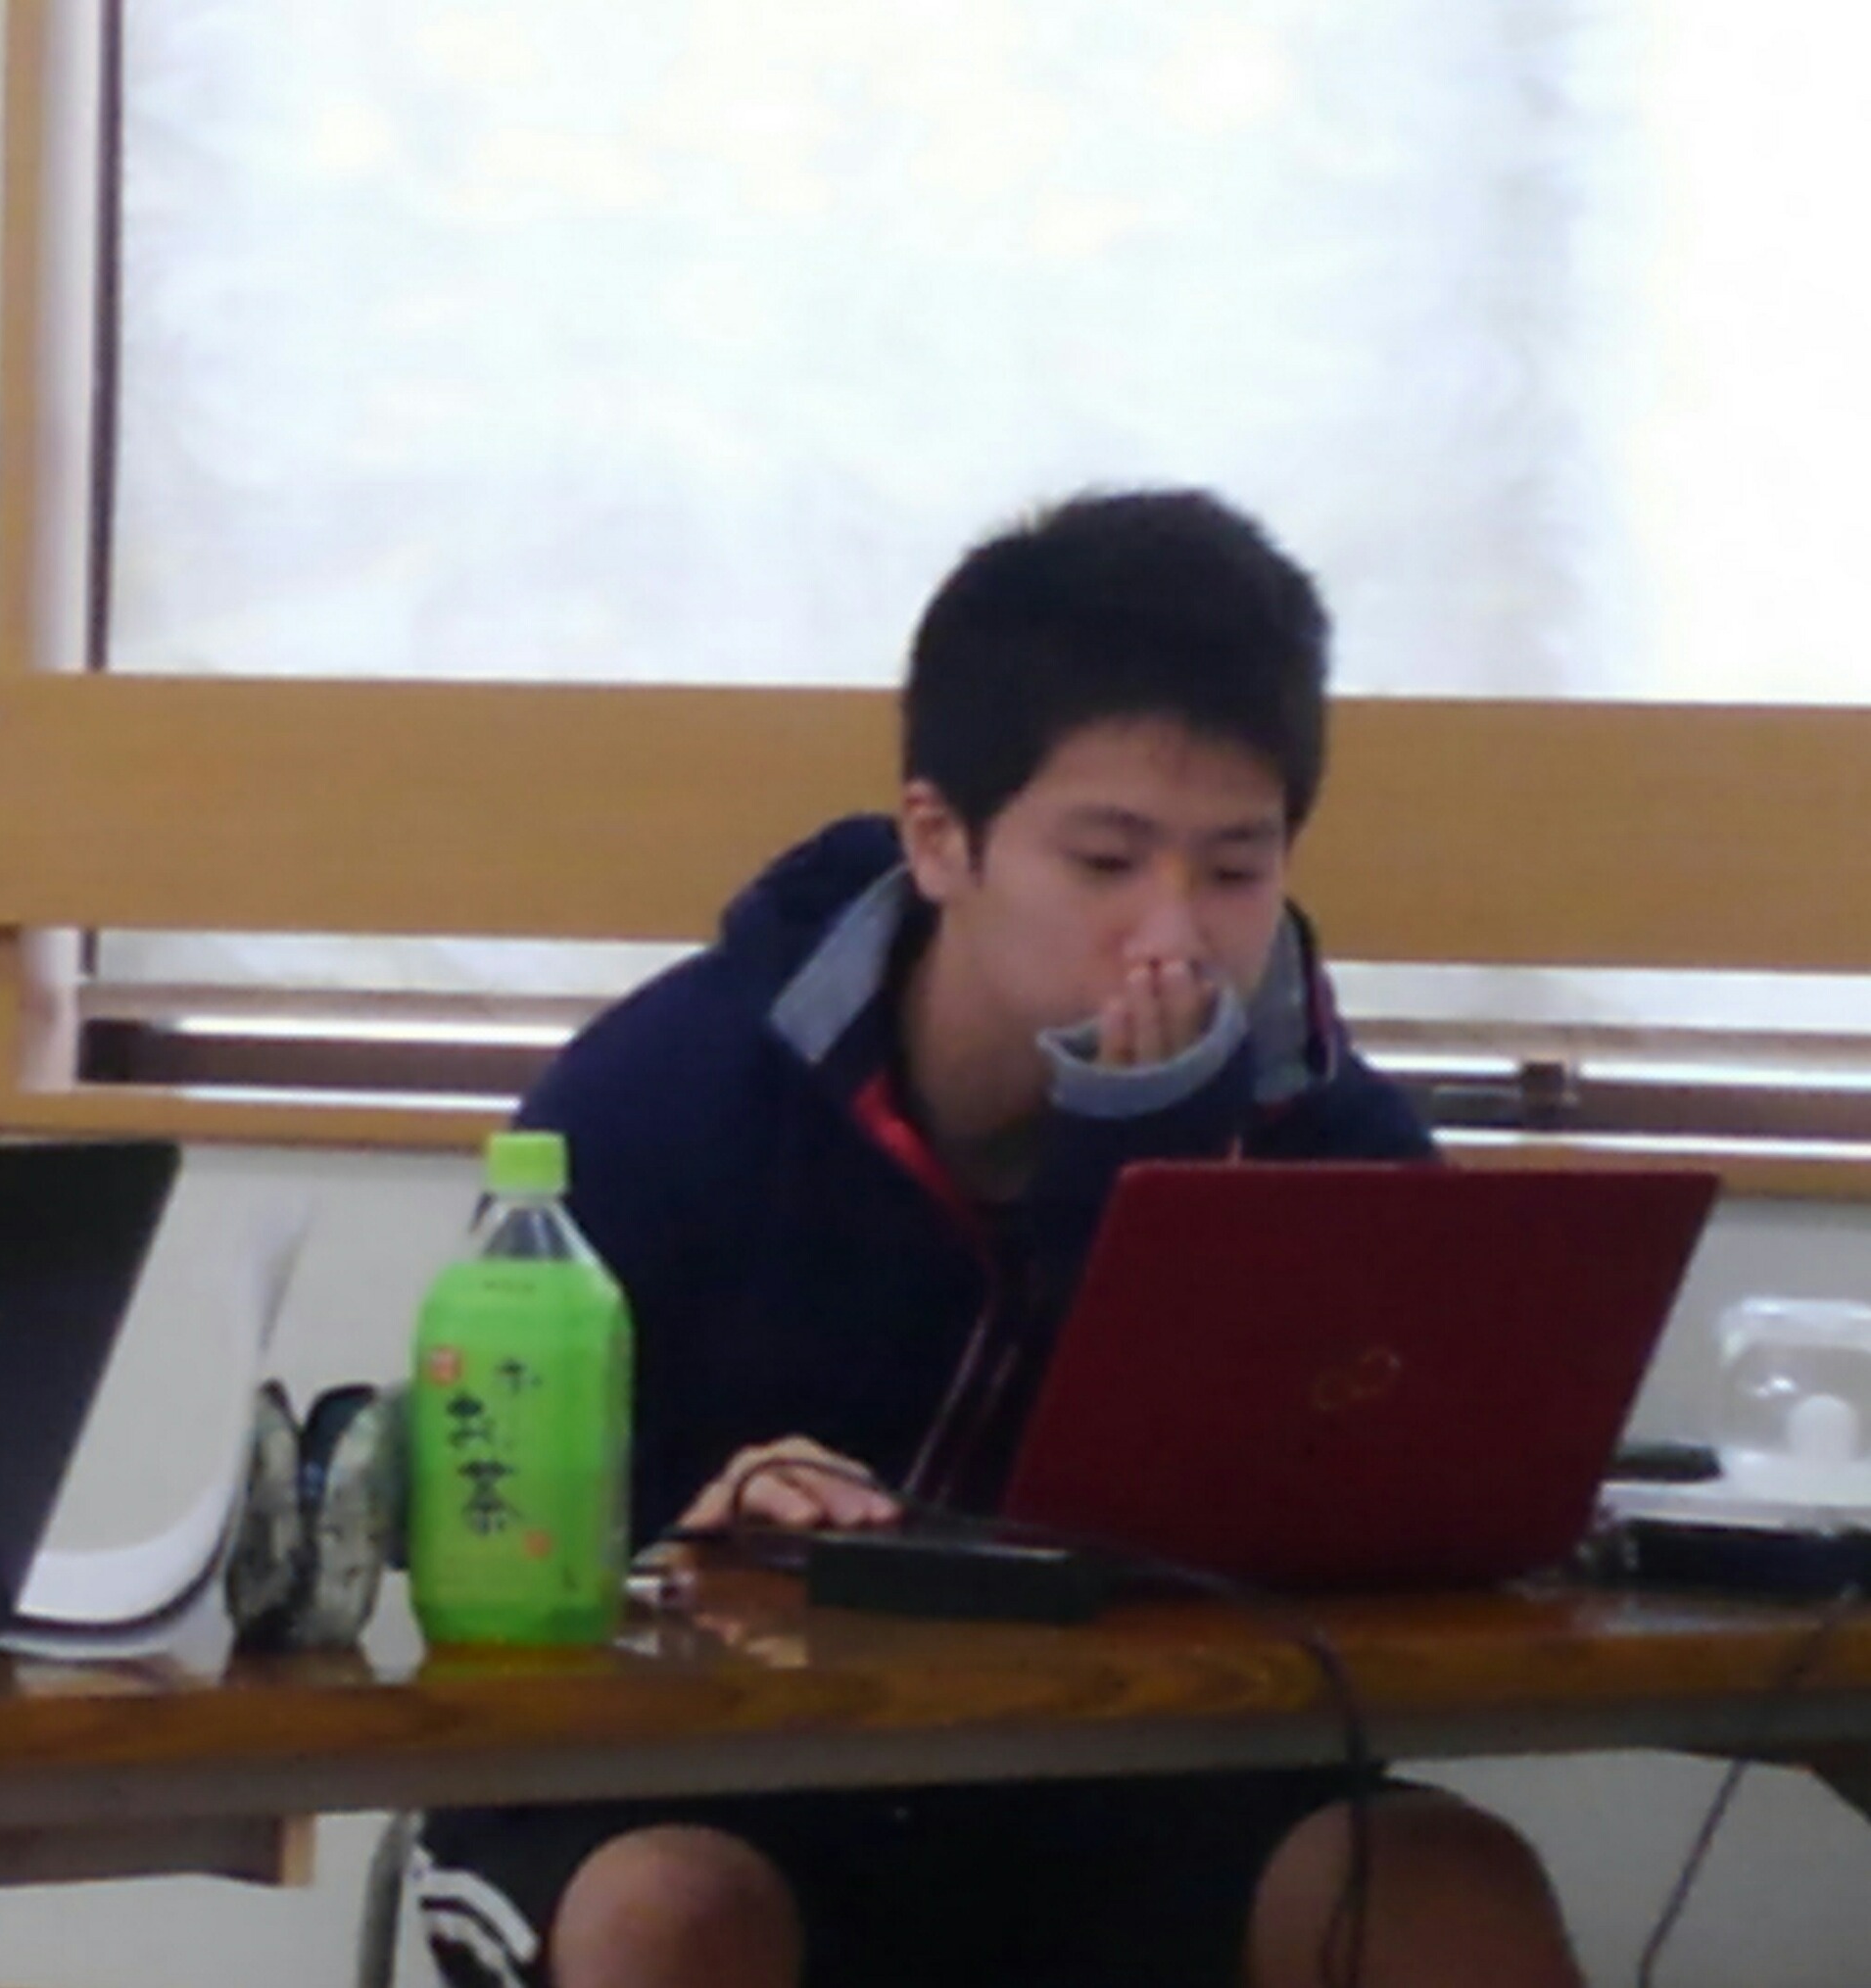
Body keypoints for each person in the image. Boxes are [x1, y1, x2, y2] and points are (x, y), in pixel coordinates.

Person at [414, 491, 1583, 1988]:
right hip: (699, 1785)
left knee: (1441, 1889)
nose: (1175, 934)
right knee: (675, 1916)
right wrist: (683, 1537)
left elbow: (1370, 1542)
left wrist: (1150, 1162)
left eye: (1236, 868)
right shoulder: (670, 1093)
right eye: (1105, 862)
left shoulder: (1332, 1135)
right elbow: (483, 1541)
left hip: (1119, 1789)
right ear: (940, 839)